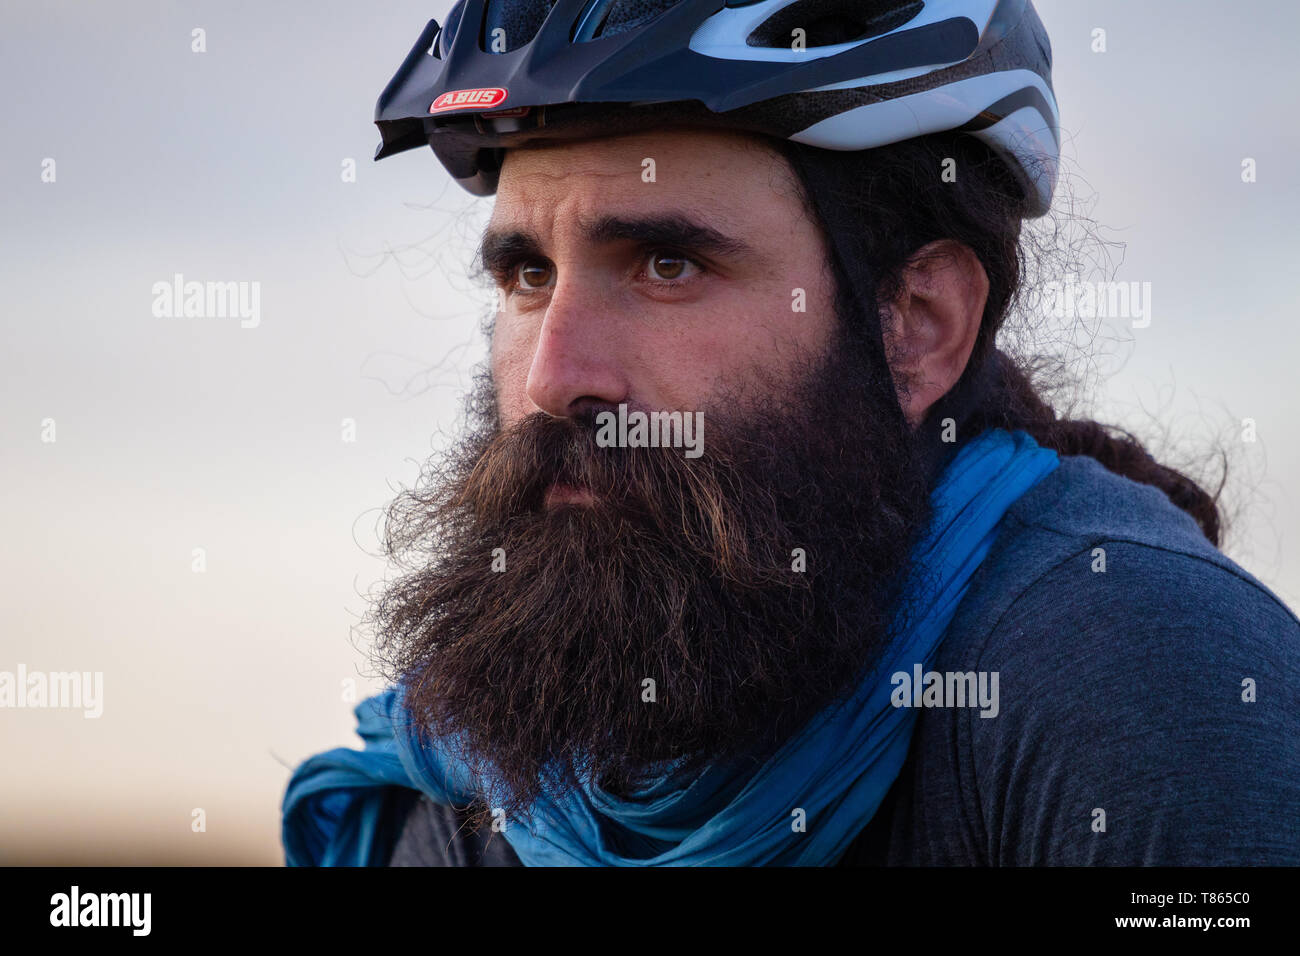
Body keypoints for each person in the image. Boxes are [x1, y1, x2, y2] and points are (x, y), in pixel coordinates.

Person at [282, 0, 1300, 866]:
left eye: (665, 265)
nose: (554, 378)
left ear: (915, 326)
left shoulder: (1135, 678)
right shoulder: (488, 769)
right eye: (527, 275)